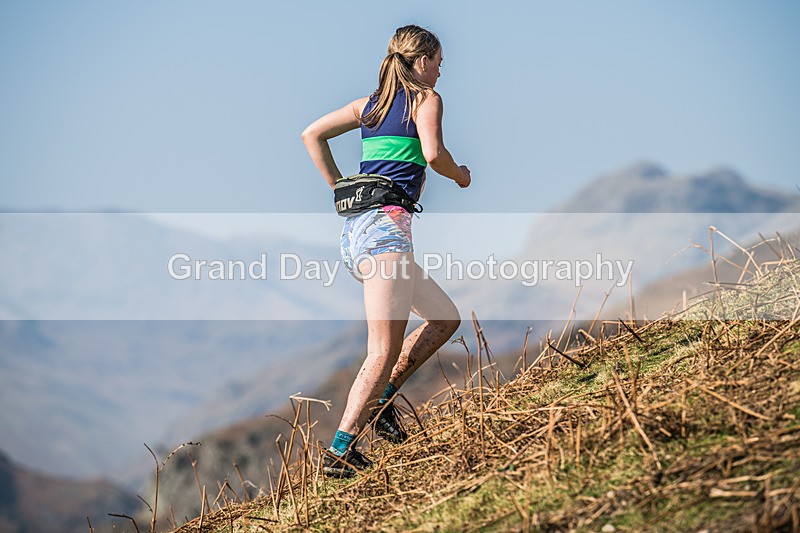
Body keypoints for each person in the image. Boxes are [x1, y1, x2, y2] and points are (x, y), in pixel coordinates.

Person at [301, 24, 471, 478]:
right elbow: (433, 154)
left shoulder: (369, 106)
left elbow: (311, 135)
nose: (441, 70)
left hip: (359, 233)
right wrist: (460, 175)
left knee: (444, 318)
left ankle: (382, 401)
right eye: (437, 62)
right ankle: (341, 449)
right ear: (421, 62)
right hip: (386, 233)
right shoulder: (425, 100)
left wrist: (338, 185)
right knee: (382, 348)